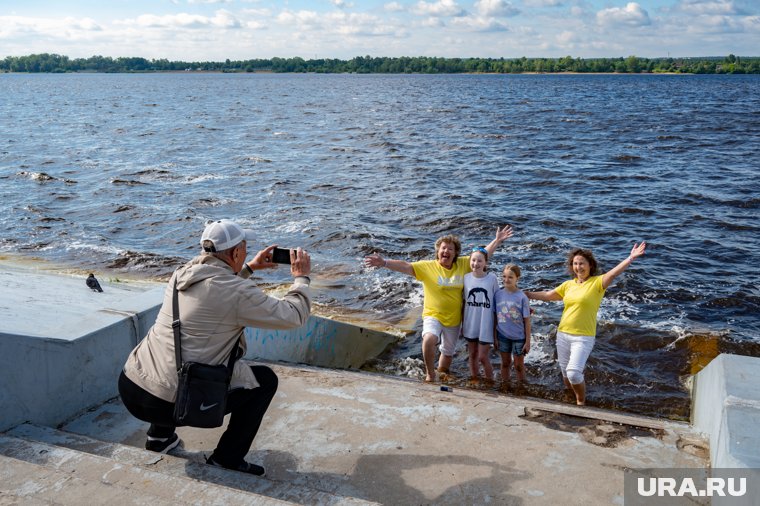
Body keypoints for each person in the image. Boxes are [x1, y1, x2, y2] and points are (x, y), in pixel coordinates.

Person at [118, 219, 311, 476]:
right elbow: (293, 315)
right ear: (235, 253)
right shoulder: (236, 292)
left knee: (174, 354)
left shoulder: (182, 273)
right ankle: (227, 458)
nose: (246, 250)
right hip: (167, 403)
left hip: (132, 385)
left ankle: (159, 438)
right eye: (244, 247)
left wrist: (250, 267)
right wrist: (301, 279)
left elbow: (215, 294)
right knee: (264, 381)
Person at [364, 226, 513, 383]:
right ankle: (430, 374)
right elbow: (406, 266)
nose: (446, 251)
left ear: (455, 254)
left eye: (450, 249)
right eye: (443, 248)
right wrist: (384, 262)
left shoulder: (463, 265)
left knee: (447, 353)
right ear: (438, 251)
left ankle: (442, 374)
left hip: (454, 319)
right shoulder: (428, 267)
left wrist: (497, 241)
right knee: (429, 338)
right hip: (433, 314)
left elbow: (482, 256)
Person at [525, 242, 646, 405]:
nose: (578, 267)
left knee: (574, 373)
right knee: (566, 375)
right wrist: (526, 294)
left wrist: (630, 258)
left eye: (582, 263)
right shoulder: (568, 285)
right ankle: (569, 397)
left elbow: (613, 274)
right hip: (563, 335)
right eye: (575, 263)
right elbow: (547, 295)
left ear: (590, 265)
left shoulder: (597, 283)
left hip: (583, 337)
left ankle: (581, 402)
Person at [461, 246, 499, 383]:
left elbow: (497, 302)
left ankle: (490, 381)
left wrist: (496, 328)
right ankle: (474, 379)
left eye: (479, 261)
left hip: (486, 324)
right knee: (472, 354)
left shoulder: (492, 279)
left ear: (485, 263)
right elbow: (463, 302)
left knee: (483, 357)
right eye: (473, 260)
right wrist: (461, 323)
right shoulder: (465, 278)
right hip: (470, 322)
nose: (476, 264)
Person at [494, 263, 531, 388]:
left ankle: (521, 387)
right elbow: (495, 317)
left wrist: (528, 341)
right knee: (505, 363)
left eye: (510, 277)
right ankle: (505, 385)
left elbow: (527, 320)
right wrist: (495, 337)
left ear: (517, 279)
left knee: (519, 365)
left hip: (519, 337)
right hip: (502, 335)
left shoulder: (522, 297)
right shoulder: (497, 294)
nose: (506, 280)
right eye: (504, 277)